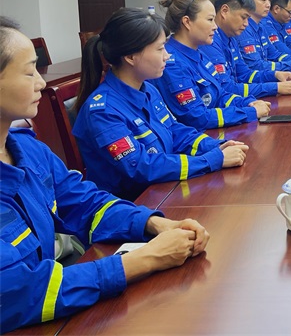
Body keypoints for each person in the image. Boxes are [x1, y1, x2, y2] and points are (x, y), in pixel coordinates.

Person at [0, 17, 211, 332]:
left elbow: (84, 202)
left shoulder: (27, 149)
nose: (41, 83)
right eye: (30, 72)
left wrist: (152, 223)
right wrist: (145, 259)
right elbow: (17, 294)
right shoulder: (102, 108)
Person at [72, 8, 249, 200]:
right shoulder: (103, 111)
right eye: (160, 49)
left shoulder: (148, 89)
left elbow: (175, 131)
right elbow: (143, 166)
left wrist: (215, 146)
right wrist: (211, 160)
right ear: (130, 57)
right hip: (135, 205)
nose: (167, 55)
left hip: (164, 189)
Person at [152, 0, 271, 130]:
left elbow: (220, 96)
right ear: (187, 22)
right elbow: (198, 118)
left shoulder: (199, 54)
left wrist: (249, 102)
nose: (215, 26)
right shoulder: (173, 63)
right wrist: (249, 112)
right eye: (210, 20)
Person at [201, 0, 291, 99]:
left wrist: (275, 75)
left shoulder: (231, 37)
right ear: (224, 11)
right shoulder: (211, 42)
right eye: (243, 17)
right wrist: (274, 87)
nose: (246, 24)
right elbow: (227, 88)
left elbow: (244, 74)